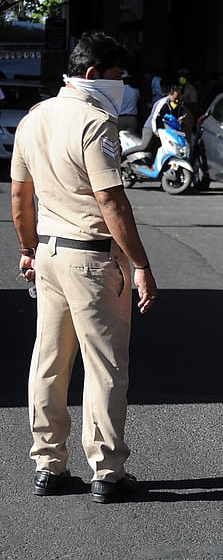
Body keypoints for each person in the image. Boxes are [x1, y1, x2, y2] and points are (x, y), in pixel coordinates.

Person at [10, 31, 157, 504]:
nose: (121, 85)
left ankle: (48, 464)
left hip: (49, 252)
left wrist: (28, 247)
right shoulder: (96, 124)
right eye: (117, 77)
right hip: (92, 257)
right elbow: (110, 200)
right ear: (92, 75)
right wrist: (141, 263)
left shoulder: (34, 119)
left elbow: (19, 197)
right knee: (104, 366)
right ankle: (107, 470)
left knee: (49, 360)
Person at [121, 85, 186, 158]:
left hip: (163, 131)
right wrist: (155, 131)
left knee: (159, 148)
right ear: (170, 94)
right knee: (144, 146)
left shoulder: (179, 106)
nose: (177, 101)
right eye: (175, 98)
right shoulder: (162, 103)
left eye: (178, 99)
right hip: (150, 127)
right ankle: (123, 155)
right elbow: (153, 118)